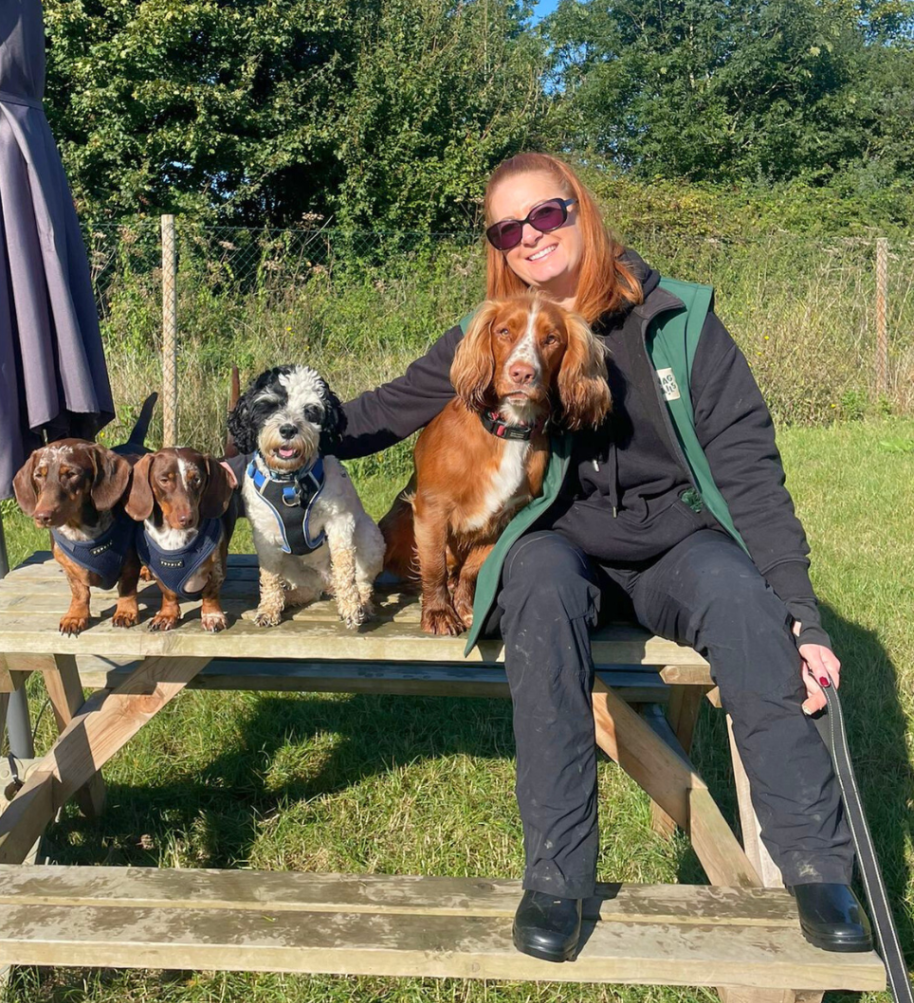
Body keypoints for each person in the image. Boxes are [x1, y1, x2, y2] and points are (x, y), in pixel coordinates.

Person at [331, 151, 873, 962]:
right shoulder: (495, 327)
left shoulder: (681, 321)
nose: (530, 237)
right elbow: (390, 407)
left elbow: (750, 470)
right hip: (558, 543)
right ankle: (558, 875)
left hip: (676, 544)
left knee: (746, 608)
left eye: (546, 214)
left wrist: (799, 611)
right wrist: (282, 435)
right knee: (541, 592)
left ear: (581, 210)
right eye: (508, 228)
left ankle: (817, 865)